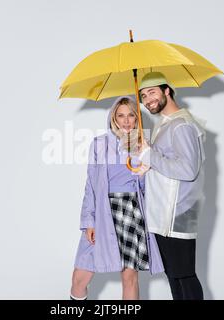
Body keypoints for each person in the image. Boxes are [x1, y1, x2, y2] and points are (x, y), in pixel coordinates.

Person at [70, 96, 164, 300]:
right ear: (114, 118)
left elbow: (151, 189)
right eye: (121, 115)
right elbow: (91, 185)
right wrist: (88, 221)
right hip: (104, 213)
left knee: (129, 277)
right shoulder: (100, 144)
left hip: (132, 212)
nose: (126, 120)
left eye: (131, 115)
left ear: (137, 118)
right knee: (80, 277)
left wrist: (146, 166)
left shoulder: (143, 146)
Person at [136, 72, 207, 300]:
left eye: (152, 92)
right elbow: (167, 164)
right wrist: (148, 163)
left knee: (184, 276)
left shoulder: (180, 126)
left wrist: (150, 156)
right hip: (164, 214)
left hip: (176, 213)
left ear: (167, 90)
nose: (148, 100)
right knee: (174, 276)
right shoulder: (166, 125)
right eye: (144, 96)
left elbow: (188, 170)